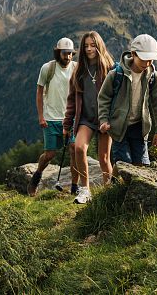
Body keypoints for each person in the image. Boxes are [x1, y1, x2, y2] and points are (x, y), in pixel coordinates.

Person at [63, 31, 115, 204]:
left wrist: (112, 119)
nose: (89, 49)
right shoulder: (79, 71)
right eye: (86, 46)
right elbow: (72, 100)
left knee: (104, 158)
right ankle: (85, 190)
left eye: (92, 45)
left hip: (105, 119)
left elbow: (117, 96)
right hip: (86, 119)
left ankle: (109, 191)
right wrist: (67, 123)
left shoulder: (109, 68)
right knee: (78, 148)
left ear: (99, 45)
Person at [98, 34, 157, 166]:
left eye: (150, 60)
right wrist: (104, 120)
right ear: (133, 54)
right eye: (144, 59)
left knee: (142, 164)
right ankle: (117, 185)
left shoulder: (154, 77)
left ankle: (123, 184)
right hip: (118, 127)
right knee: (124, 163)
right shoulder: (116, 74)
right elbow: (104, 97)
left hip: (139, 128)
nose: (147, 64)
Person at [28, 37, 80, 196]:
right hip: (51, 118)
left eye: (71, 53)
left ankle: (74, 187)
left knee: (74, 149)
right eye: (65, 53)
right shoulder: (48, 68)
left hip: (71, 118)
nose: (68, 56)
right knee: (50, 154)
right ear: (58, 53)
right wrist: (41, 116)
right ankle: (37, 176)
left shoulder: (77, 68)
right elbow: (39, 92)